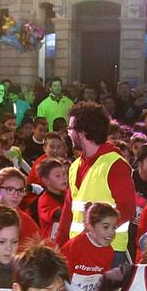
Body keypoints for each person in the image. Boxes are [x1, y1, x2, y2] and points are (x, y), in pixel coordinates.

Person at [55, 102, 136, 254]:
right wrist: (58, 248)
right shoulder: (75, 165)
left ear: (83, 132)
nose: (68, 133)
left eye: (70, 128)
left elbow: (127, 209)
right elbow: (68, 214)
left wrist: (97, 235)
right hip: (78, 250)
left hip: (109, 251)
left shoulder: (116, 165)